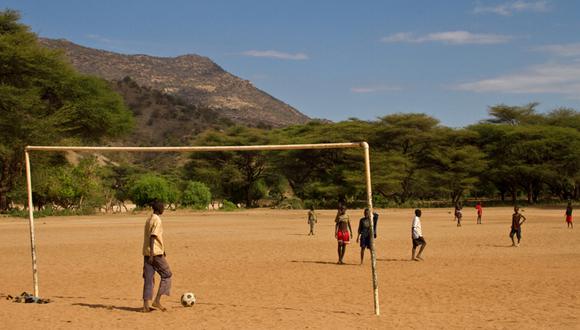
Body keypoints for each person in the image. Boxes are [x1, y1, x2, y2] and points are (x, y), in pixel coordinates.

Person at [142, 200, 173, 312]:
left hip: (147, 252)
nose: (163, 209)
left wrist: (162, 249)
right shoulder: (157, 220)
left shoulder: (149, 218)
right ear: (159, 208)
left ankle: (146, 306)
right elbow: (153, 236)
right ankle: (157, 300)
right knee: (167, 274)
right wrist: (152, 254)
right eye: (162, 207)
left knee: (148, 279)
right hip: (154, 254)